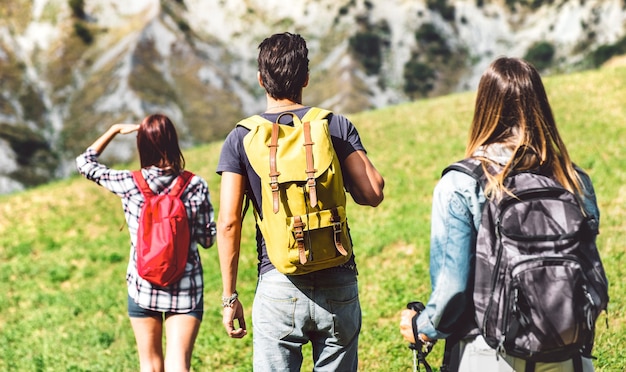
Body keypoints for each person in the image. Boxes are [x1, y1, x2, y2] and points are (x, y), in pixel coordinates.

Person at [399, 57, 600, 371]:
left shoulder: (461, 183)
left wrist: (422, 326)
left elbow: (453, 288)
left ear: (484, 107)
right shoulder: (573, 179)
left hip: (489, 351)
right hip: (568, 350)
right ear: (540, 106)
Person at [216, 32, 385, 371]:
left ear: (261, 79)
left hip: (279, 281)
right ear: (305, 78)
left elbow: (229, 222)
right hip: (337, 277)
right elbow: (373, 193)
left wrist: (230, 297)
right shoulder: (333, 125)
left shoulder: (241, 138)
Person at [76, 114, 216, 372]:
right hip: (186, 287)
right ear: (174, 142)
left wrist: (114, 130)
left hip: (143, 285)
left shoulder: (129, 183)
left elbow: (84, 163)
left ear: (142, 145)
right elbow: (207, 241)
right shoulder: (195, 185)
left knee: (150, 366)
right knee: (179, 364)